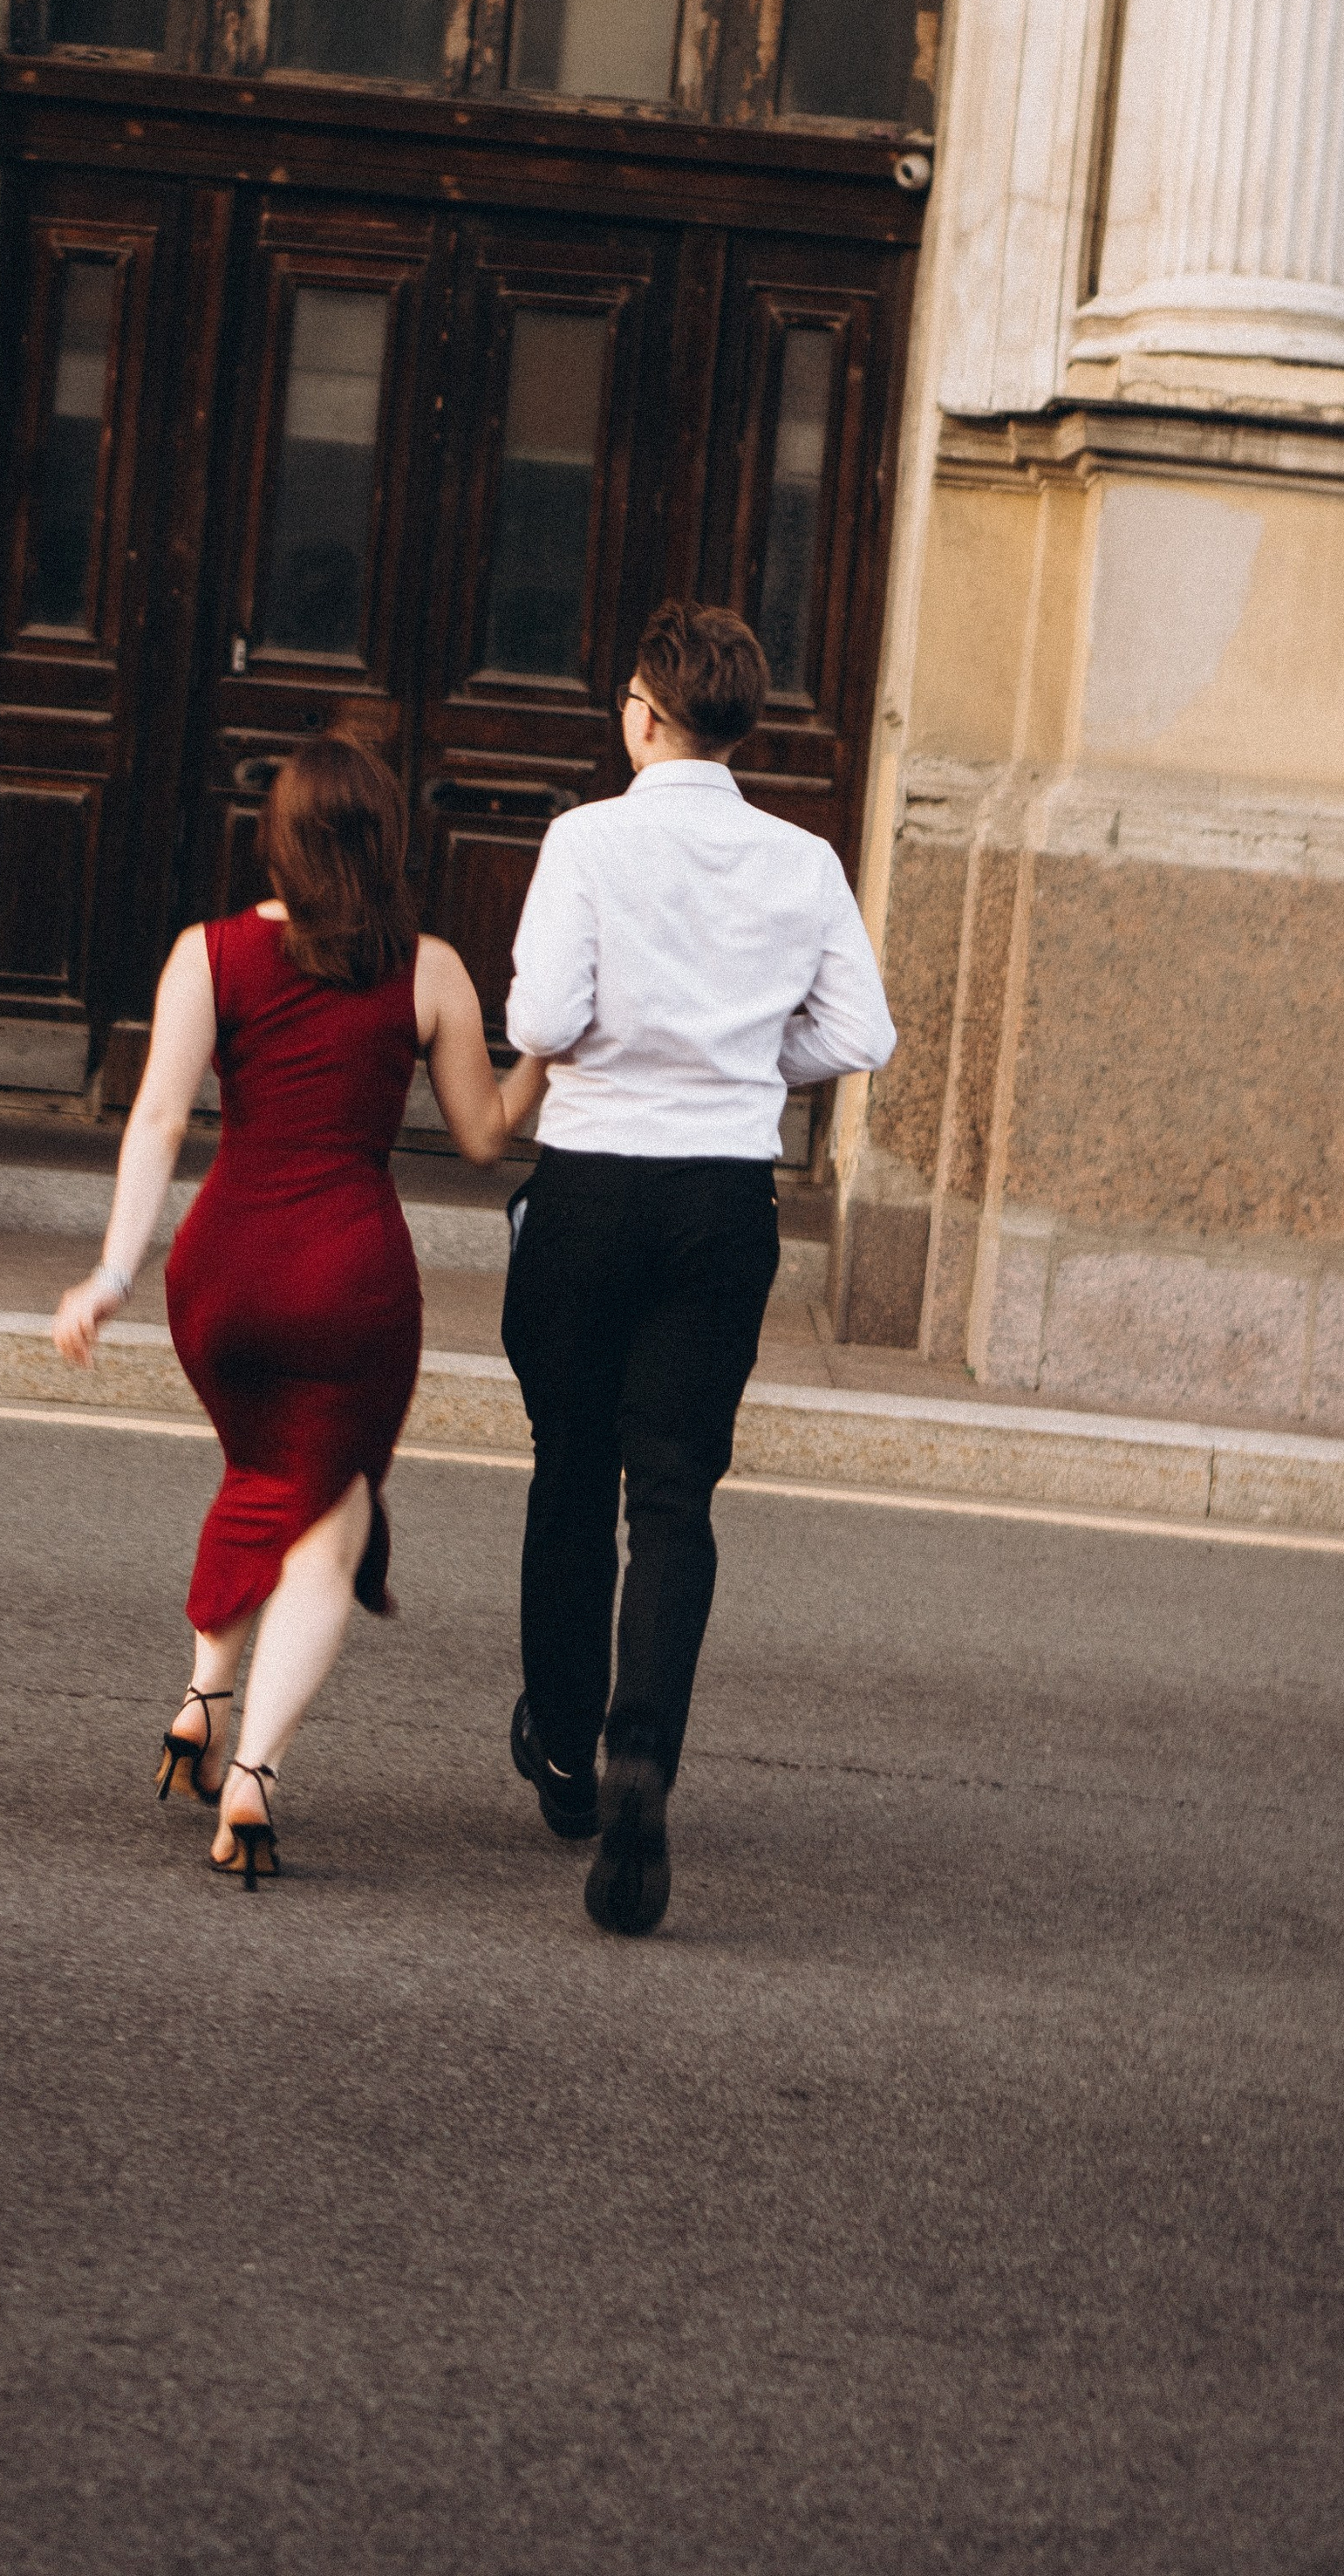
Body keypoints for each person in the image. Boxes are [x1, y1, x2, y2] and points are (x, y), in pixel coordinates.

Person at [53, 734, 543, 1886]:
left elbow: (160, 1123)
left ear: (276, 837)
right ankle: (255, 1780)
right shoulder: (428, 971)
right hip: (349, 1281)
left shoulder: (206, 954)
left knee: (259, 1474)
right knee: (331, 1521)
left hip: (221, 1278)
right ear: (388, 844)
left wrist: (113, 1275)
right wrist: (555, 1053)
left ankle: (201, 1705)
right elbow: (484, 1134)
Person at [501, 601, 897, 1937]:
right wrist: (738, 1064)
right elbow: (860, 1032)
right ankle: (641, 1757)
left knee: (569, 1467)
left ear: (645, 712)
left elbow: (545, 1018)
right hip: (723, 1199)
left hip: (594, 1183)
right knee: (674, 1494)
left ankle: (561, 1754)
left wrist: (636, 1050)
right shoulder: (805, 859)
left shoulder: (588, 838)